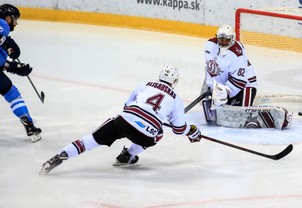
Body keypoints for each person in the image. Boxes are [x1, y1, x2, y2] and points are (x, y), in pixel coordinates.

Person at [39, 64, 201, 175]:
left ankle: (57, 158)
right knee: (158, 133)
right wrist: (192, 131)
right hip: (145, 135)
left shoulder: (144, 84)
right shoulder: (176, 100)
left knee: (89, 141)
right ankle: (127, 156)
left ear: (159, 76)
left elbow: (127, 106)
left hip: (124, 121)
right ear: (175, 82)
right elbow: (179, 129)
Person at [0, 4, 42, 142]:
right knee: (13, 95)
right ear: (7, 18)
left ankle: (29, 124)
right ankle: (29, 124)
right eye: (14, 19)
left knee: (11, 92)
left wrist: (13, 66)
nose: (16, 23)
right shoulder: (2, 25)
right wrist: (12, 65)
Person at [200, 24, 257, 122]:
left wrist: (224, 92)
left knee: (240, 117)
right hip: (223, 85)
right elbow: (210, 68)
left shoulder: (237, 53)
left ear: (233, 39)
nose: (223, 43)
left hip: (244, 85)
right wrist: (208, 85)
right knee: (217, 117)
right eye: (221, 40)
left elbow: (240, 81)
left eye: (226, 40)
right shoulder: (210, 45)